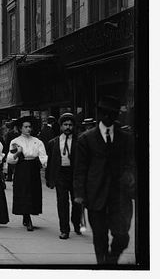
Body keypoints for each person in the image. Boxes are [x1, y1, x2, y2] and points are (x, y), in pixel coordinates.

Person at [73, 95, 135, 266]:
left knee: (122, 236)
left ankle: (111, 260)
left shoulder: (126, 138)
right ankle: (104, 267)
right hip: (96, 196)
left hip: (120, 197)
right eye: (105, 113)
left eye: (112, 114)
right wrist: (79, 194)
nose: (108, 117)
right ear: (99, 114)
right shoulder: (86, 139)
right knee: (99, 238)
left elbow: (132, 164)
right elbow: (80, 170)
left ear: (116, 115)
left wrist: (131, 181)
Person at [6, 116, 48, 231]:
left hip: (33, 167)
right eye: (26, 127)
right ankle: (27, 217)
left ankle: (28, 214)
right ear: (20, 128)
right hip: (22, 167)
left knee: (33, 192)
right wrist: (18, 153)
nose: (28, 129)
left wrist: (45, 164)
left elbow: (43, 156)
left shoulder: (37, 141)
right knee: (23, 191)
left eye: (30, 127)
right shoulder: (15, 142)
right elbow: (10, 158)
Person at [46, 113, 83, 239]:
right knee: (62, 203)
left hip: (75, 175)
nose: (68, 127)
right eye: (65, 125)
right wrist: (49, 179)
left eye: (70, 125)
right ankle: (64, 229)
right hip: (60, 174)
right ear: (61, 126)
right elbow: (50, 162)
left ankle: (76, 222)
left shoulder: (80, 141)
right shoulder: (54, 142)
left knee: (77, 202)